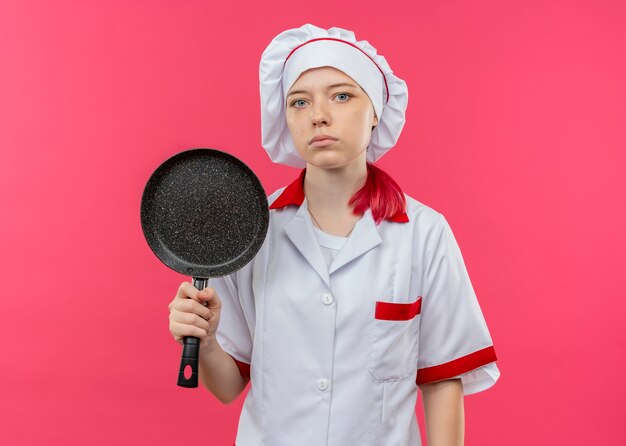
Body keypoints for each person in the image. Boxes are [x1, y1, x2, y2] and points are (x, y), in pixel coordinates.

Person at [168, 24, 500, 445]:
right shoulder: (251, 229)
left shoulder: (424, 233)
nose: (318, 114)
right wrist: (208, 338)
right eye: (299, 101)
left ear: (377, 109)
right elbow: (228, 386)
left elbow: (442, 380)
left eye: (341, 95)